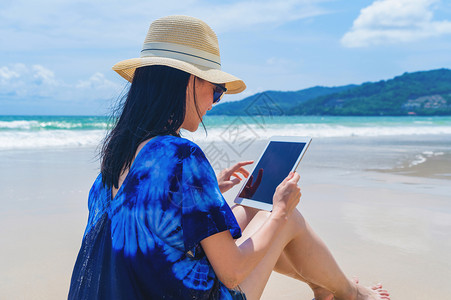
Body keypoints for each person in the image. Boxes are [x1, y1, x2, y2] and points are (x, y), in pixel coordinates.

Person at [68, 15, 390, 300]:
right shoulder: (180, 155)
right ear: (189, 80)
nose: (215, 102)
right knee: (283, 218)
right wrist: (279, 211)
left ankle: (325, 287)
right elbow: (233, 272)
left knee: (249, 207)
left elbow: (153, 224)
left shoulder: (116, 162)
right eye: (216, 89)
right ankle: (351, 293)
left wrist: (211, 191)